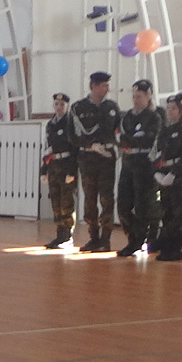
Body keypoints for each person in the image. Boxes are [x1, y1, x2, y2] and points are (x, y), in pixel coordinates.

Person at [71, 71, 120, 252]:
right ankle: (93, 237)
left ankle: (105, 239)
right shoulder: (79, 108)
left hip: (106, 159)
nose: (106, 89)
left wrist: (116, 147)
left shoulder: (112, 107)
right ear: (93, 86)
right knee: (89, 199)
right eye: (103, 85)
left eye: (107, 85)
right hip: (88, 158)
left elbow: (118, 131)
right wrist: (90, 145)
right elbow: (72, 135)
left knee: (107, 199)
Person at [114, 79, 163, 257]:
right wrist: (130, 140)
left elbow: (148, 140)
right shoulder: (127, 117)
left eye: (139, 96)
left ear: (148, 97)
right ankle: (133, 236)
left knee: (143, 206)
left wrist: (129, 140)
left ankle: (140, 240)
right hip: (128, 163)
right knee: (123, 205)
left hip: (145, 164)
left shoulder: (154, 117)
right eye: (134, 96)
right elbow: (118, 137)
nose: (135, 100)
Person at [149, 93, 182, 262]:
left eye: (174, 108)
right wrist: (157, 172)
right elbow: (156, 153)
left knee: (178, 215)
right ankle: (166, 246)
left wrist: (173, 173)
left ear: (181, 110)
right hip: (164, 175)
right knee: (167, 213)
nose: (170, 112)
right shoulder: (165, 131)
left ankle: (175, 249)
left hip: (180, 178)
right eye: (168, 108)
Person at [40, 93, 78, 249]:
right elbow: (47, 149)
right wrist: (44, 170)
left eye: (62, 104)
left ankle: (68, 236)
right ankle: (59, 235)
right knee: (55, 201)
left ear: (67, 106)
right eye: (56, 104)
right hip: (53, 166)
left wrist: (72, 171)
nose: (59, 107)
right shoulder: (50, 124)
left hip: (66, 165)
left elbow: (74, 149)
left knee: (66, 202)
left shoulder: (70, 123)